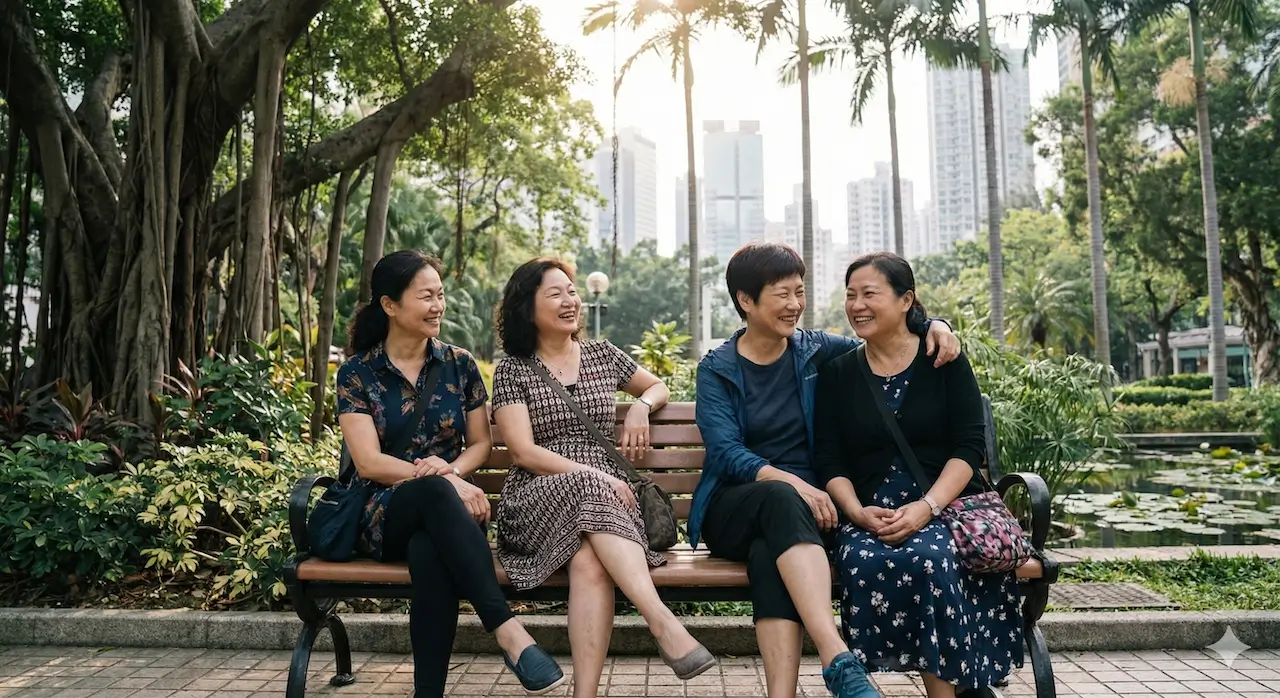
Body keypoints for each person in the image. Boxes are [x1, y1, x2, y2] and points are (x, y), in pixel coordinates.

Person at [691, 242, 962, 698]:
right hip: (737, 505)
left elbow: (884, 329)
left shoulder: (815, 350)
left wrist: (936, 324)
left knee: (768, 556)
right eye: (781, 294)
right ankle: (837, 656)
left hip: (808, 518)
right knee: (780, 498)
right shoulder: (717, 369)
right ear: (745, 300)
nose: (795, 305)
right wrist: (798, 484)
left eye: (799, 292)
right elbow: (727, 454)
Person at [336, 251, 565, 698]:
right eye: (426, 296)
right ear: (389, 305)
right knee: (433, 498)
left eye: (441, 295)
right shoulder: (357, 373)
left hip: (455, 512)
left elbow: (481, 443)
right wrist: (445, 482)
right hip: (385, 511)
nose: (439, 305)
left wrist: (454, 471)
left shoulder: (458, 364)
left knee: (430, 552)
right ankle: (506, 629)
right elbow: (369, 463)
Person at [491, 258, 717, 698]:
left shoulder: (602, 354)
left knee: (590, 562)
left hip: (606, 506)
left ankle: (585, 694)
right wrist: (593, 474)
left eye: (571, 291)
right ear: (527, 308)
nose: (570, 300)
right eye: (555, 294)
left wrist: (639, 406)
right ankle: (662, 622)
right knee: (590, 490)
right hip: (537, 498)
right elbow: (523, 451)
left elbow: (658, 387)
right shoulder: (512, 370)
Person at [814, 252, 1023, 698]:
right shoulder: (838, 373)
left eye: (870, 294)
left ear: (906, 299)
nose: (857, 306)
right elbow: (829, 459)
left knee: (933, 560)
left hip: (945, 505)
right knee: (864, 558)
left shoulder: (942, 360)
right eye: (850, 295)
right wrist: (855, 513)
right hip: (869, 511)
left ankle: (948, 691)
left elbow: (969, 445)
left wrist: (927, 508)